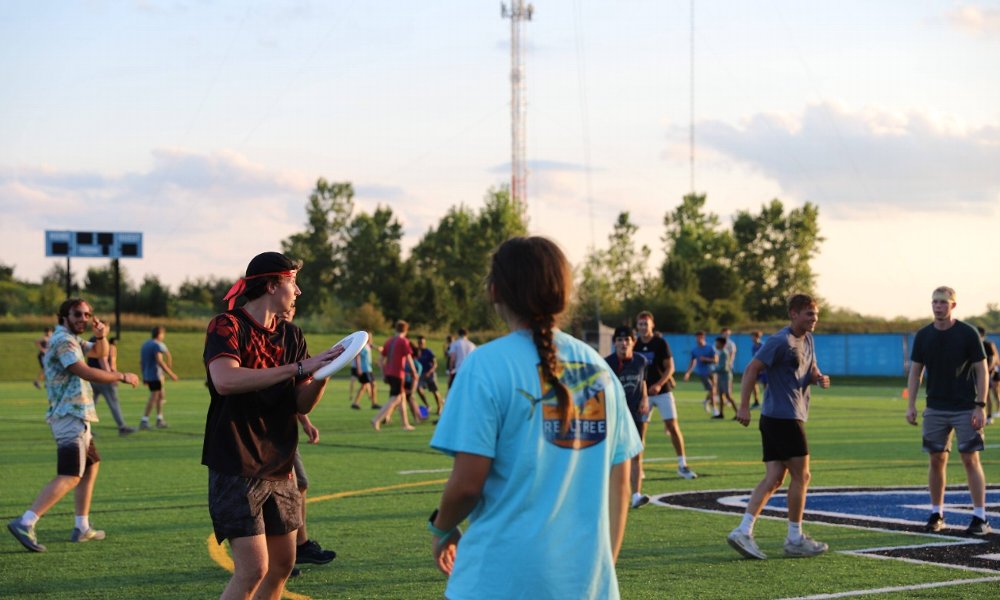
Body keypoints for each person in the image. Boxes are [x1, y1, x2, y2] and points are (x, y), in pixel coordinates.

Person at [428, 236, 642, 599]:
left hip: (496, 583)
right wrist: (596, 576)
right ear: (564, 294)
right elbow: (620, 487)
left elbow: (466, 486)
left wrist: (441, 529)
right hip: (587, 587)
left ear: (495, 291)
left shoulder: (484, 365)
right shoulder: (600, 370)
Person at [203, 251, 342, 599]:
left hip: (280, 463)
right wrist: (299, 368)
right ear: (271, 285)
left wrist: (323, 373)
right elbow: (225, 380)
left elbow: (300, 402)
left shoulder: (292, 335)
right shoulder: (227, 325)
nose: (298, 291)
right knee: (253, 569)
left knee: (282, 565)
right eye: (293, 282)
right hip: (237, 461)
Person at [7, 299, 139, 553]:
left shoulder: (73, 339)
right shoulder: (64, 341)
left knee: (91, 465)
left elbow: (98, 353)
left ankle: (82, 527)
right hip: (69, 415)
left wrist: (101, 336)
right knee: (70, 475)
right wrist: (121, 376)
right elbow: (85, 371)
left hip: (78, 415)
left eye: (88, 314)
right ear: (64, 316)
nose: (84, 318)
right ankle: (26, 522)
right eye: (78, 314)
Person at [727, 294, 831, 560]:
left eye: (816, 314)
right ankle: (795, 538)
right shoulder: (779, 341)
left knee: (774, 478)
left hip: (781, 417)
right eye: (809, 314)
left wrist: (818, 377)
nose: (814, 318)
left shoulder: (808, 338)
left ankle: (743, 530)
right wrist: (743, 407)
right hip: (784, 418)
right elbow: (751, 370)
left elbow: (810, 368)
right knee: (802, 476)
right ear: (794, 314)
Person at [906, 287, 990, 535]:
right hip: (935, 408)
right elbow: (916, 371)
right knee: (936, 459)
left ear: (953, 305)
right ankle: (937, 513)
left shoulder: (967, 333)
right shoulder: (923, 335)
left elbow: (982, 370)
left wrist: (980, 405)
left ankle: (980, 517)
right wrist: (911, 404)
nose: (938, 306)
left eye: (943, 302)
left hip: (965, 407)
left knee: (970, 459)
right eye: (934, 302)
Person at [278, 306, 337, 572]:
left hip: (284, 430)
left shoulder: (291, 337)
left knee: (298, 484)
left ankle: (298, 546)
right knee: (275, 492)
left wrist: (305, 422)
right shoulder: (259, 338)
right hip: (261, 434)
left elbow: (294, 392)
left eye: (293, 307)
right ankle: (281, 553)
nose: (289, 309)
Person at [635, 311, 697, 480]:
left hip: (663, 392)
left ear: (652, 325)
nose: (643, 327)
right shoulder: (635, 344)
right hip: (643, 395)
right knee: (640, 432)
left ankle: (682, 465)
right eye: (640, 324)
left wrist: (659, 384)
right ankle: (638, 468)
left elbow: (670, 368)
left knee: (673, 427)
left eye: (646, 324)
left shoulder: (660, 343)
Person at [606, 325, 653, 508]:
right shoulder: (607, 363)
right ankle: (609, 495)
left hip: (635, 413)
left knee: (636, 454)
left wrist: (645, 399)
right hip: (615, 414)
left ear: (633, 342)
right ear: (614, 343)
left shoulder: (641, 361)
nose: (623, 343)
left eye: (627, 340)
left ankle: (636, 495)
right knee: (612, 455)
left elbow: (643, 381)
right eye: (619, 340)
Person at [372, 320, 419, 431]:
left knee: (402, 398)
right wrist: (414, 372)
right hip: (398, 374)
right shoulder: (404, 341)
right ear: (406, 330)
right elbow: (409, 358)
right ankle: (376, 419)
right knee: (396, 398)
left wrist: (384, 373)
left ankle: (405, 424)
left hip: (389, 373)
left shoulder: (389, 341)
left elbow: (381, 360)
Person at [88, 336, 135, 436]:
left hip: (91, 378)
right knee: (113, 403)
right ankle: (122, 427)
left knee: (89, 405)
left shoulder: (91, 343)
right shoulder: (107, 347)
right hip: (104, 378)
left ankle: (85, 428)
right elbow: (106, 362)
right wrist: (113, 377)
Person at [139, 326, 178, 430]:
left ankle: (159, 419)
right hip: (155, 375)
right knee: (154, 397)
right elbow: (160, 361)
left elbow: (142, 362)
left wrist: (144, 376)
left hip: (148, 374)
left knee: (161, 396)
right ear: (160, 334)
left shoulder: (145, 344)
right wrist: (171, 374)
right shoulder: (157, 345)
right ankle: (144, 420)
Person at [683, 330, 720, 418]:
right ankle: (715, 409)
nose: (698, 339)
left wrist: (706, 359)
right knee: (712, 389)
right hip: (703, 373)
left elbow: (716, 360)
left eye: (700, 337)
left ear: (703, 337)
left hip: (713, 372)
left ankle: (706, 401)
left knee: (714, 390)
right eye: (697, 337)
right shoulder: (694, 350)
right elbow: (692, 362)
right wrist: (688, 373)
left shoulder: (710, 348)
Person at [350, 332, 379, 410]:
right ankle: (356, 403)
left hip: (369, 368)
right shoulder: (362, 346)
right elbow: (357, 357)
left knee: (371, 385)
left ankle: (373, 403)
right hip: (364, 369)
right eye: (369, 337)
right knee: (366, 385)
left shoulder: (368, 345)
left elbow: (373, 349)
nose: (370, 338)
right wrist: (359, 368)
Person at [415, 335, 443, 416]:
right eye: (419, 342)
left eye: (422, 342)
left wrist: (429, 372)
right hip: (421, 375)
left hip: (430, 374)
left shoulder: (428, 352)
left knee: (435, 391)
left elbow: (435, 364)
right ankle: (427, 405)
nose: (420, 344)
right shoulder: (416, 352)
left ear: (424, 343)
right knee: (418, 389)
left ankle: (439, 407)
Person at [979, 326, 999, 425]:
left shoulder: (988, 344)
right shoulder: (976, 345)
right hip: (983, 373)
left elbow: (993, 359)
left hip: (992, 372)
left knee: (994, 393)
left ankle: (994, 412)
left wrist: (987, 370)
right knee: (985, 395)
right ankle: (988, 415)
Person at [714, 336, 737, 418]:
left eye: (717, 343)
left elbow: (724, 367)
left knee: (728, 395)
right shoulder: (720, 352)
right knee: (720, 395)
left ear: (722, 344)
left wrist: (714, 370)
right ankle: (721, 413)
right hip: (721, 376)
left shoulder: (724, 353)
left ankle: (738, 413)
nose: (716, 345)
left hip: (725, 376)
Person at [749, 330, 766, 409]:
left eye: (752, 336)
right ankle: (756, 401)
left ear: (757, 337)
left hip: (764, 369)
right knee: (753, 383)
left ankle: (766, 401)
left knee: (765, 386)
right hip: (757, 369)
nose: (751, 338)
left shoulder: (763, 345)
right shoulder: (753, 346)